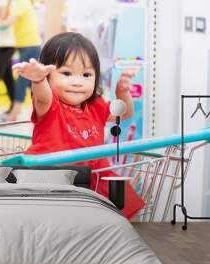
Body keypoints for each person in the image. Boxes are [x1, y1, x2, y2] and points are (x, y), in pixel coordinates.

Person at [12, 32, 144, 219]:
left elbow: (124, 113)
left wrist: (122, 92)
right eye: (66, 73)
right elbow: (42, 97)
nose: (77, 82)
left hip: (94, 174)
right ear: (48, 74)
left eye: (87, 74)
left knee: (127, 203)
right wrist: (38, 80)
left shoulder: (95, 106)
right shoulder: (52, 105)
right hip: (54, 176)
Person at [6, 0, 42, 121]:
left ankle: (15, 113)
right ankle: (39, 109)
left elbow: (10, 20)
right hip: (29, 44)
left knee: (22, 80)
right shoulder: (23, 2)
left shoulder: (19, 2)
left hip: (29, 45)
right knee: (29, 81)